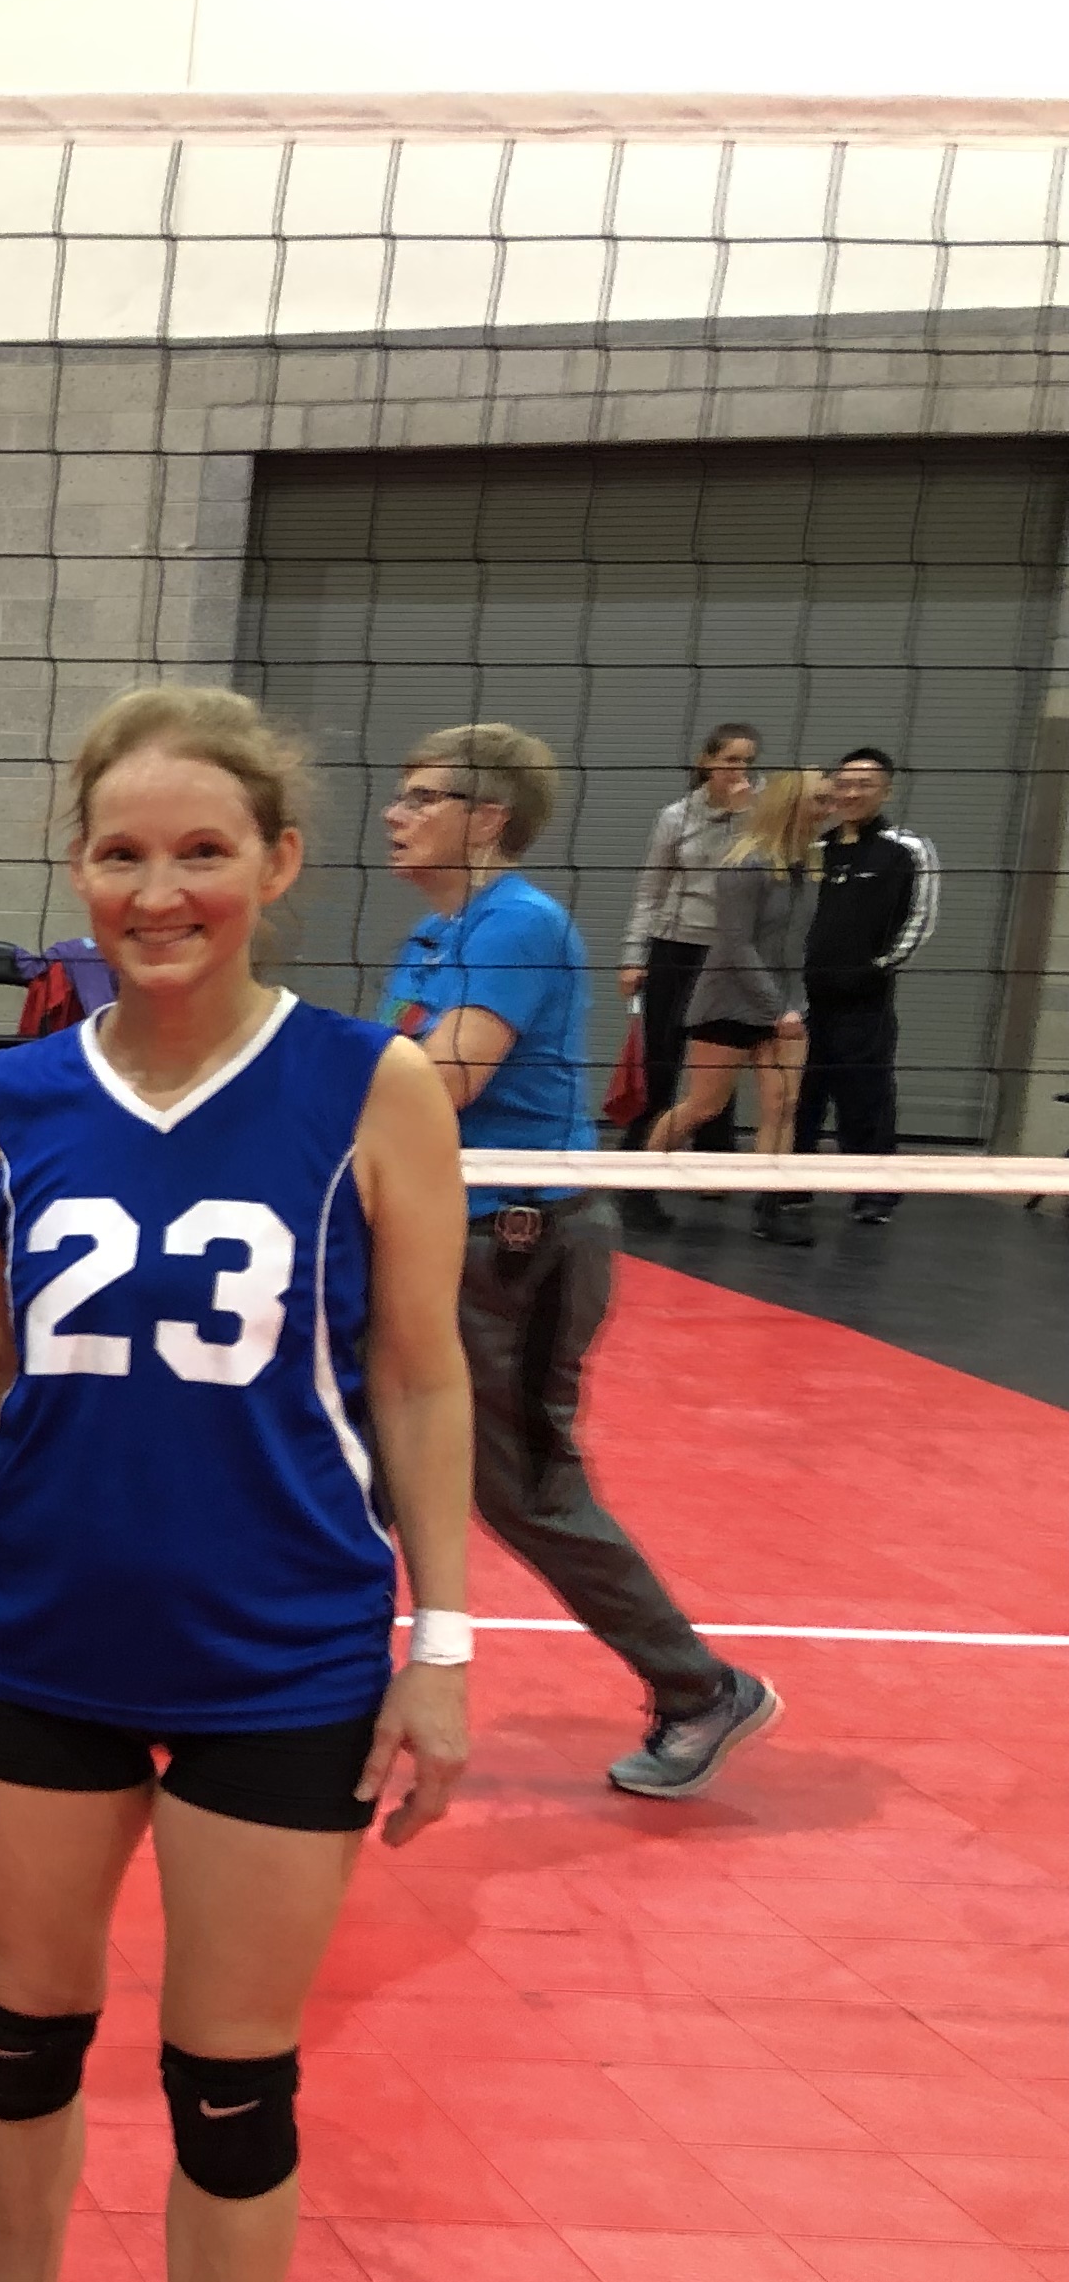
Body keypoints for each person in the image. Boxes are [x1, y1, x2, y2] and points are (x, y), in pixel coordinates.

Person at [0, 687, 473, 2282]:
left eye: (202, 852)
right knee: (19, 2030)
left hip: (282, 1649)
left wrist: (440, 1646)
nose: (160, 891)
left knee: (230, 2080)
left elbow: (420, 1376)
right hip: (39, 1639)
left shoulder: (372, 1087)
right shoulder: (8, 1102)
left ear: (276, 865)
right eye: (123, 854)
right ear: (81, 868)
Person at [377, 723, 781, 1801]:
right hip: (432, 1235)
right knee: (356, 1463)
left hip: (519, 1242)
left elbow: (436, 1084)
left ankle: (702, 1689)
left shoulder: (516, 922)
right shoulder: (438, 931)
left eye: (423, 796)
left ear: (488, 817)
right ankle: (301, 1693)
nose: (396, 813)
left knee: (526, 1493)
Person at [637, 768, 817, 1244]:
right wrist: (777, 1006)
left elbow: (795, 945)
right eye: (820, 801)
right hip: (730, 1002)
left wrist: (794, 1003)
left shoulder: (807, 867)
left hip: (785, 1006)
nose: (830, 808)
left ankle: (769, 1208)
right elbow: (736, 946)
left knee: (783, 1105)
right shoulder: (746, 865)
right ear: (793, 806)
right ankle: (636, 1189)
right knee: (703, 1105)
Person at [617, 724, 760, 1227]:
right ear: (707, 761)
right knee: (662, 1058)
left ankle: (713, 1164)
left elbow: (759, 874)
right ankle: (637, 1169)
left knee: (718, 1057)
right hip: (675, 946)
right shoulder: (676, 817)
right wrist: (634, 955)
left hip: (730, 951)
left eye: (747, 761)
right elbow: (650, 890)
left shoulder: (759, 815)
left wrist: (744, 818)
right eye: (731, 760)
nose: (739, 770)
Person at [789, 747, 934, 1224]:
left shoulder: (907, 848)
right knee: (800, 1095)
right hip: (807, 999)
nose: (851, 793)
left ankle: (875, 1192)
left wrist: (877, 968)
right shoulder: (815, 848)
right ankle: (791, 1186)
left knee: (865, 1094)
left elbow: (920, 918)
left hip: (865, 1000)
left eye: (864, 785)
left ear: (885, 791)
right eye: (844, 783)